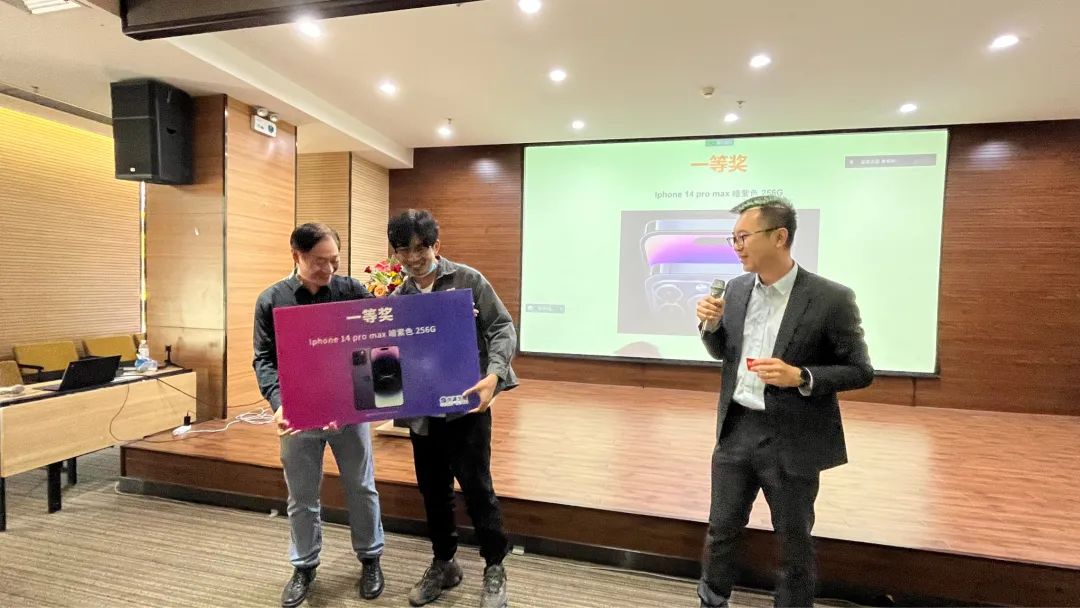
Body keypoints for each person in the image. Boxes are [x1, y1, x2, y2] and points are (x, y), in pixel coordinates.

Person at [695, 196, 874, 607]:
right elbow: (725, 352)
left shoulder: (830, 298)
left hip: (792, 436)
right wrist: (711, 326)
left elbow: (861, 370)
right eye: (733, 238)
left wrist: (802, 376)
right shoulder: (737, 290)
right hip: (737, 429)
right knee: (721, 530)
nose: (736, 246)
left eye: (743, 237)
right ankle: (712, 600)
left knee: (793, 540)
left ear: (779, 237)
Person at [387, 209, 518, 608]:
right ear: (394, 253)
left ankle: (494, 566)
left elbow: (502, 327)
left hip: (467, 408)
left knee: (478, 488)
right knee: (433, 491)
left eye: (421, 248)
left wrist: (494, 375)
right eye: (403, 250)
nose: (413, 258)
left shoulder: (468, 280)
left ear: (436, 245)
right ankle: (444, 563)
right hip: (423, 413)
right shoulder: (398, 300)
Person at [253, 223, 385, 608]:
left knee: (361, 487)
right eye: (318, 262)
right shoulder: (272, 300)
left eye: (334, 261)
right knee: (302, 495)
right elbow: (264, 360)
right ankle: (304, 565)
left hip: (348, 411)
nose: (328, 270)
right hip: (297, 414)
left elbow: (378, 340)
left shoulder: (351, 291)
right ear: (296, 255)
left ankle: (371, 559)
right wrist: (278, 403)